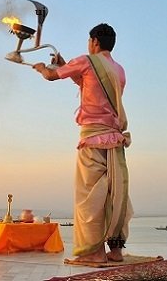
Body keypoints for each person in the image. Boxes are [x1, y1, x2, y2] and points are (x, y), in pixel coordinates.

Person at [33, 23, 133, 264]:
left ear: (94, 42)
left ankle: (94, 252)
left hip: (91, 138)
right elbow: (89, 84)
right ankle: (116, 251)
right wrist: (65, 62)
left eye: (89, 41)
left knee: (90, 196)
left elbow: (51, 76)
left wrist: (41, 68)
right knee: (114, 193)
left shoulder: (87, 60)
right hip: (113, 138)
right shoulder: (118, 70)